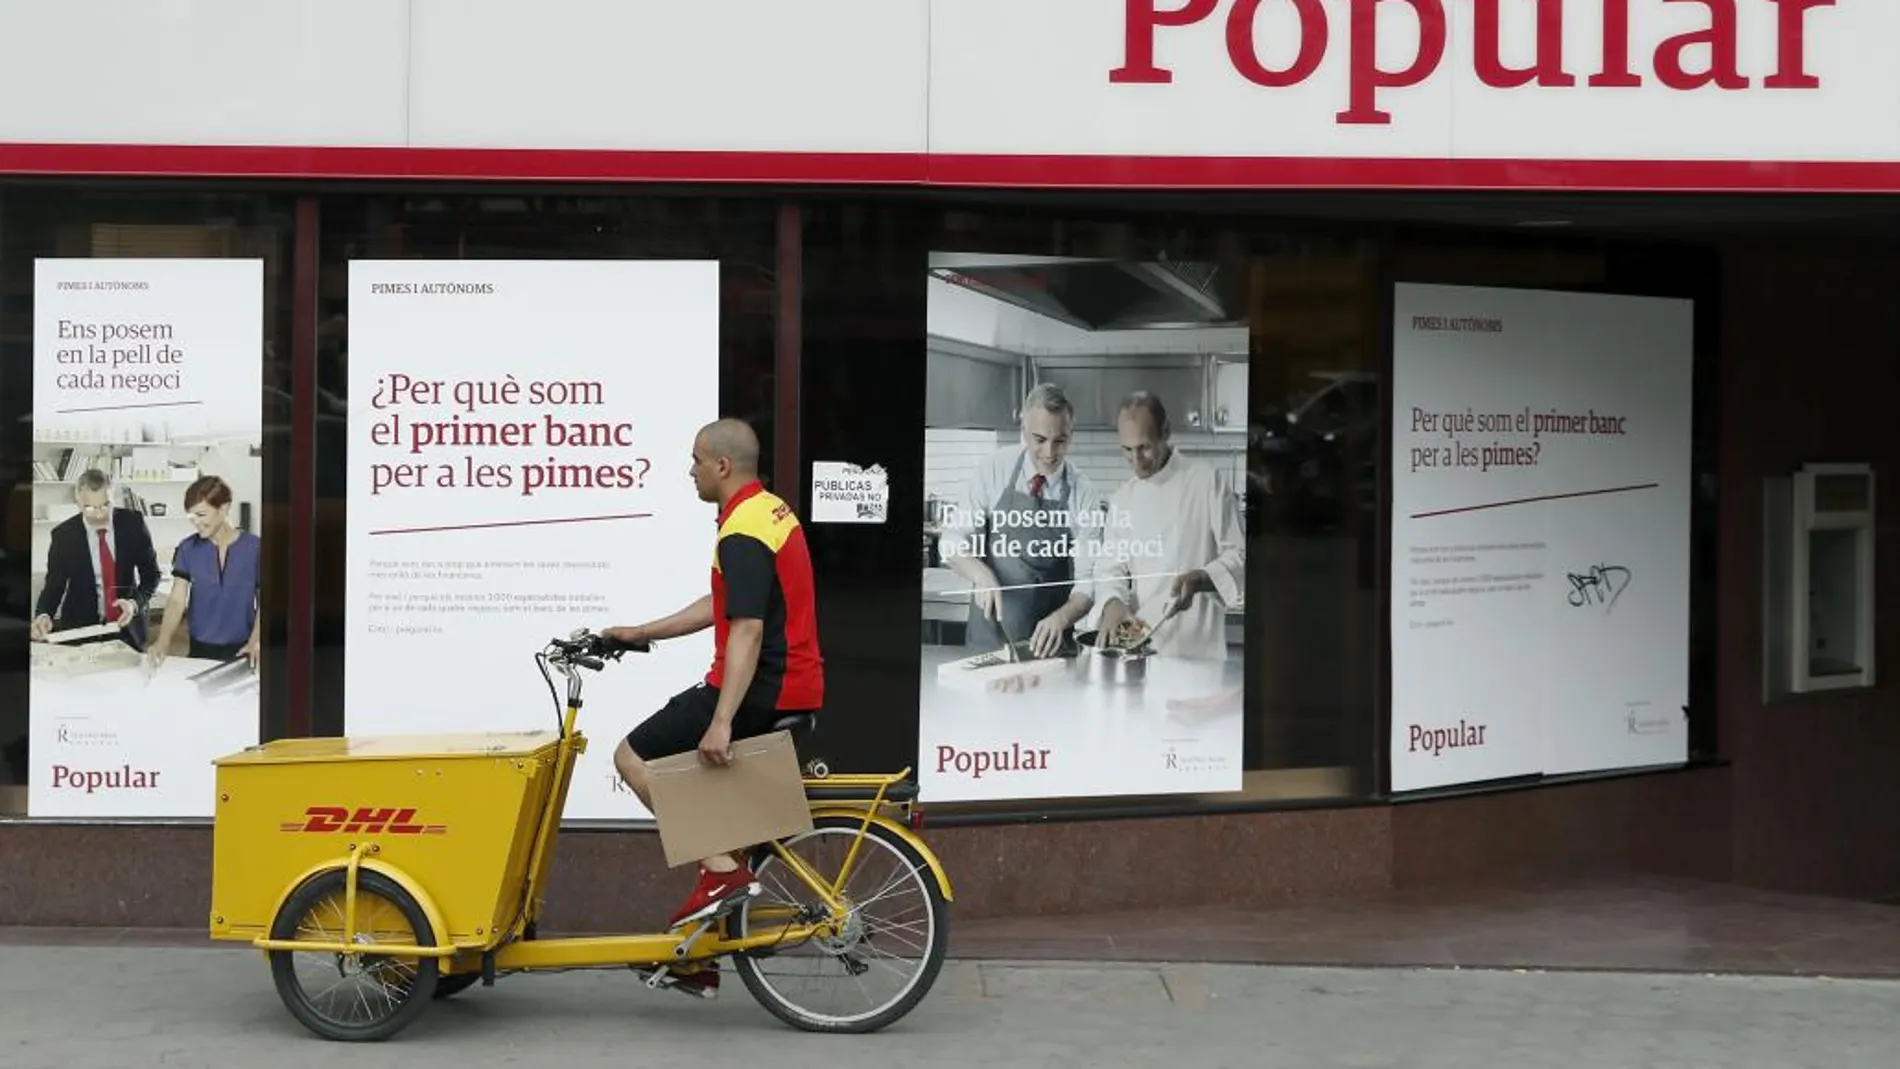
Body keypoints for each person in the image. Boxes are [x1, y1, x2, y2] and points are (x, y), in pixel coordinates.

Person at [603, 417, 824, 998]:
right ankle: (700, 952)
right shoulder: (766, 513)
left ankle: (722, 876)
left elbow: (747, 630)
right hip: (791, 681)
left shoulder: (744, 529)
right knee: (714, 808)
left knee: (632, 756)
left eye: (696, 459)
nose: (691, 470)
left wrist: (722, 719)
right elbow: (724, 602)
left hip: (763, 686)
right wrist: (641, 631)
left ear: (722, 466)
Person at [937, 382, 1103, 658]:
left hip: (1048, 648)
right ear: (1023, 430)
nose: (1050, 453)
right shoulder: (993, 469)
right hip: (988, 643)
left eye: (1060, 441)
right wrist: (981, 574)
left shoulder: (1083, 493)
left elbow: (1088, 583)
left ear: (1071, 435)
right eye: (1039, 439)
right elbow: (952, 541)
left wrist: (1061, 619)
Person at [1093, 391, 1245, 660]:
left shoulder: (1206, 481)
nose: (1136, 460)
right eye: (1127, 450)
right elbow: (1110, 569)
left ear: (1166, 432)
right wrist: (1112, 602)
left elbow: (1241, 556)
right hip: (1145, 653)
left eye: (1144, 447)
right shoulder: (1122, 500)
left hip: (1200, 653)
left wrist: (1202, 578)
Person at [30, 469, 161, 650]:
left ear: (113, 497)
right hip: (80, 629)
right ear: (78, 503)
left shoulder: (133, 523)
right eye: (90, 508)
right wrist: (43, 615)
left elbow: (151, 575)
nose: (99, 514)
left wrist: (133, 604)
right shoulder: (64, 535)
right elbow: (54, 585)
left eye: (106, 505)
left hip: (127, 626)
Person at [148, 475, 263, 669]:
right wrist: (163, 640)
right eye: (191, 516)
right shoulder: (187, 548)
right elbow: (176, 600)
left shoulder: (256, 548)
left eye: (201, 515)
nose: (195, 522)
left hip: (244, 649)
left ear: (224, 508)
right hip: (199, 648)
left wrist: (256, 641)